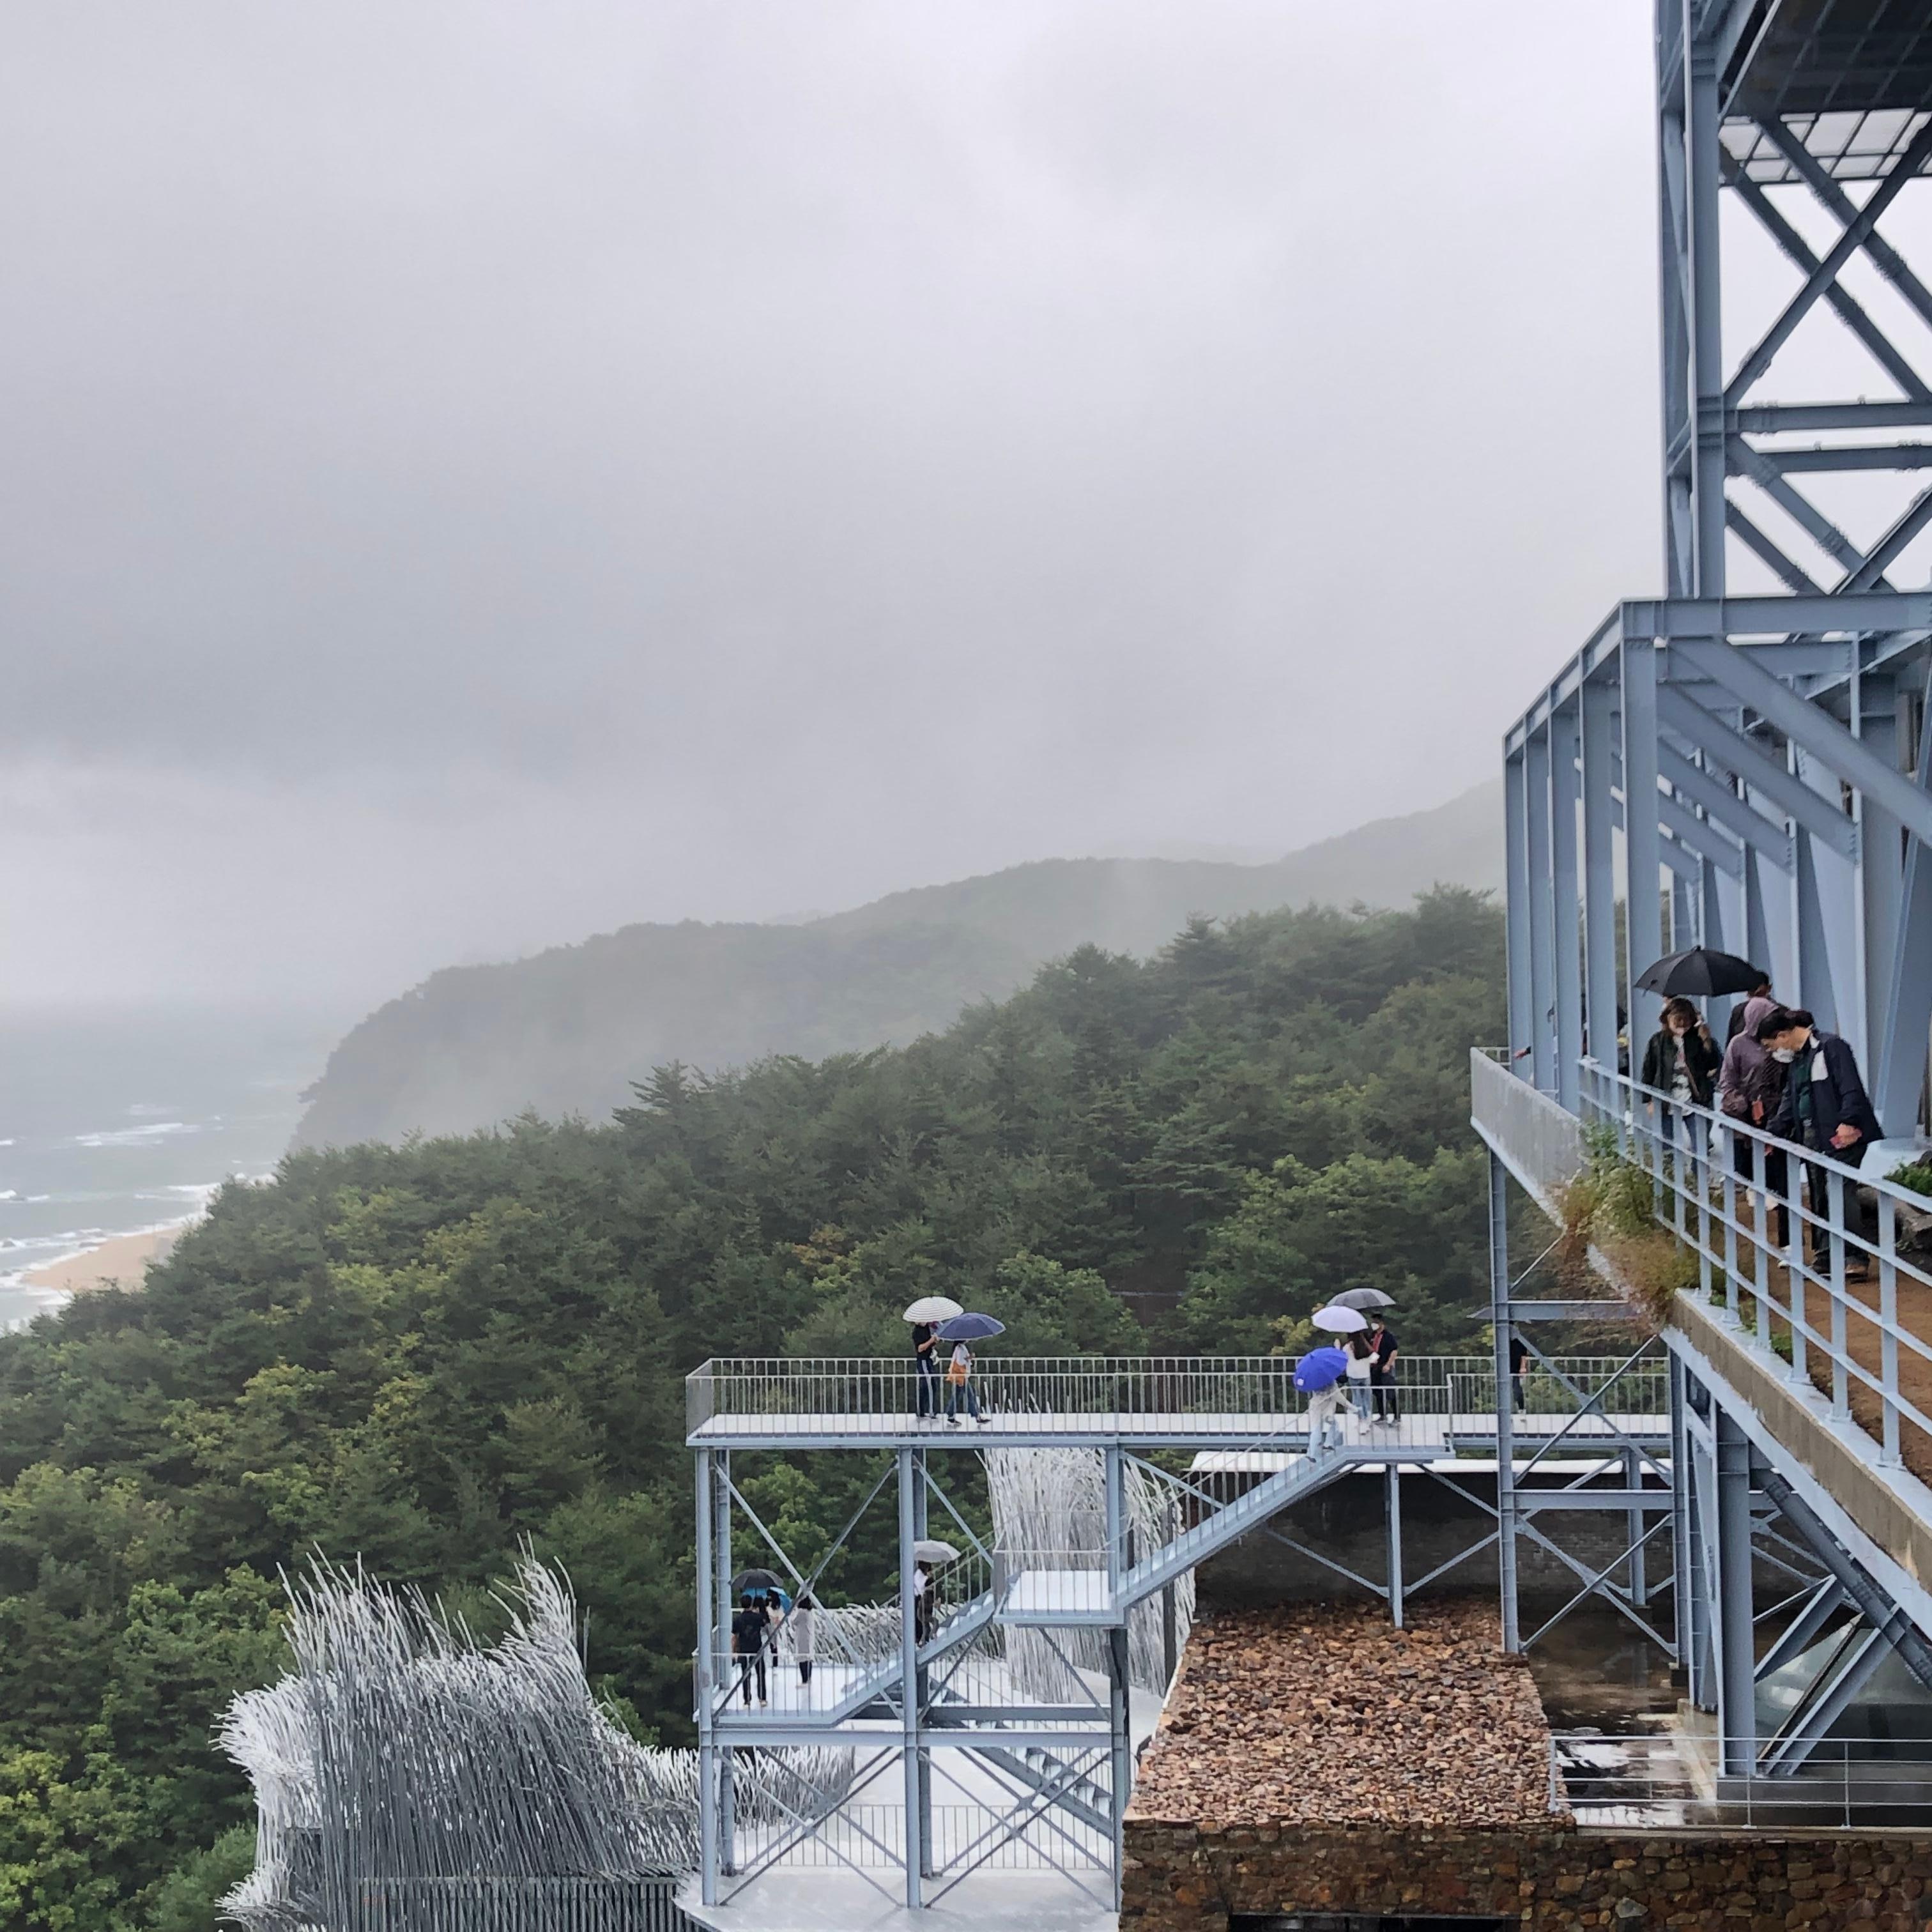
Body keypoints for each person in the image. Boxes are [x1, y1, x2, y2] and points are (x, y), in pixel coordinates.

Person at [1761, 1007, 1882, 1281]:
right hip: (1811, 1138)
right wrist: (1772, 1133)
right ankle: (1826, 1255)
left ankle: (1855, 1257)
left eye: (1772, 1046)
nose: (1773, 1052)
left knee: (1840, 1191)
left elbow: (1851, 1087)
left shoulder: (1831, 1048)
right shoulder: (1797, 1061)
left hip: (1841, 1136)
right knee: (1820, 1194)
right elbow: (1790, 1101)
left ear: (1782, 1035)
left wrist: (1848, 1121)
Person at [1640, 996, 1721, 1113]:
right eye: (1678, 1022)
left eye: (1687, 1022)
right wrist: (1648, 1100)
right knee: (1666, 1131)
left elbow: (1713, 1064)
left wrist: (1707, 1041)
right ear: (1668, 1019)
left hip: (1696, 1101)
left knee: (1700, 1130)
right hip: (1666, 1101)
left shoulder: (1697, 1039)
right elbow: (1648, 1071)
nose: (1682, 1027)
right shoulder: (1658, 1041)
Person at [732, 1593, 770, 1708]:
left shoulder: (738, 1619)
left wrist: (733, 1651)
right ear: (751, 1604)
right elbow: (766, 1624)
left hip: (744, 1650)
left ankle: (747, 1700)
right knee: (760, 1673)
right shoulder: (758, 1617)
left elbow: (734, 1636)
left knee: (745, 1675)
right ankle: (762, 1699)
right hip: (757, 1649)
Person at [1367, 1314, 1400, 1425]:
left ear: (1381, 1323)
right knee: (1378, 1392)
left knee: (1390, 1392)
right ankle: (1382, 1414)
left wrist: (1388, 1365)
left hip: (1385, 1367)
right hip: (1375, 1367)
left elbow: (1394, 1351)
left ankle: (1397, 1416)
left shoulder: (1388, 1336)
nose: (1374, 1324)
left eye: (1376, 1322)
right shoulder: (1372, 1335)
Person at [1726, 970, 1773, 1043]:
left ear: (1769, 988)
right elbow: (1731, 1041)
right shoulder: (1738, 1012)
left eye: (1759, 994)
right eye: (1752, 991)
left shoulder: (1778, 1011)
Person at [944, 1338, 982, 1425]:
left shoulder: (960, 1347)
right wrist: (969, 1358)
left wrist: (968, 1358)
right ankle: (977, 1416)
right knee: (970, 1395)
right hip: (961, 1376)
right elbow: (960, 1362)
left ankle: (950, 1415)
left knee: (957, 1396)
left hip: (961, 1376)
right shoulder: (960, 1348)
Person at [1343, 1329, 1374, 1417]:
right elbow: (1374, 1358)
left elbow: (1342, 1358)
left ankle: (1361, 1417)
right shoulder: (1365, 1347)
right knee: (1366, 1398)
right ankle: (1368, 1416)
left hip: (1353, 1375)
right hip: (1365, 1374)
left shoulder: (1347, 1347)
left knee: (1357, 1398)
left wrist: (1337, 1346)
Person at [912, 1320, 939, 1420]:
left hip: (929, 1360)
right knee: (930, 1384)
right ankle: (931, 1411)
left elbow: (929, 1345)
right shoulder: (917, 1332)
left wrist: (935, 1341)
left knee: (928, 1386)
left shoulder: (927, 1329)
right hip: (923, 1361)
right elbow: (920, 1348)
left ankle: (921, 1410)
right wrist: (931, 1341)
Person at [791, 1593, 815, 1690]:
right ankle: (808, 1678)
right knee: (808, 1658)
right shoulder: (810, 1612)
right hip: (809, 1636)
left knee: (802, 1658)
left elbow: (794, 1622)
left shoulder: (801, 1612)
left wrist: (793, 1612)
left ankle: (804, 1680)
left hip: (803, 1637)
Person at [1508, 1332, 1529, 1413]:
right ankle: (1509, 1411)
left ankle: (1521, 1409)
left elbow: (1523, 1356)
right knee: (1506, 1391)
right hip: (1505, 1370)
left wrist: (1523, 1367)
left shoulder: (1519, 1342)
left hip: (1516, 1371)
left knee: (1517, 1391)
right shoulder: (1504, 1341)